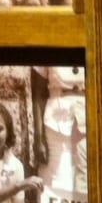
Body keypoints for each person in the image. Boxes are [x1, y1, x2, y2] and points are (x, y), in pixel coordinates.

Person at [37, 66, 86, 194]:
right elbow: (38, 92)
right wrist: (38, 135)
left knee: (84, 176)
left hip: (87, 114)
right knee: (56, 174)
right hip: (55, 119)